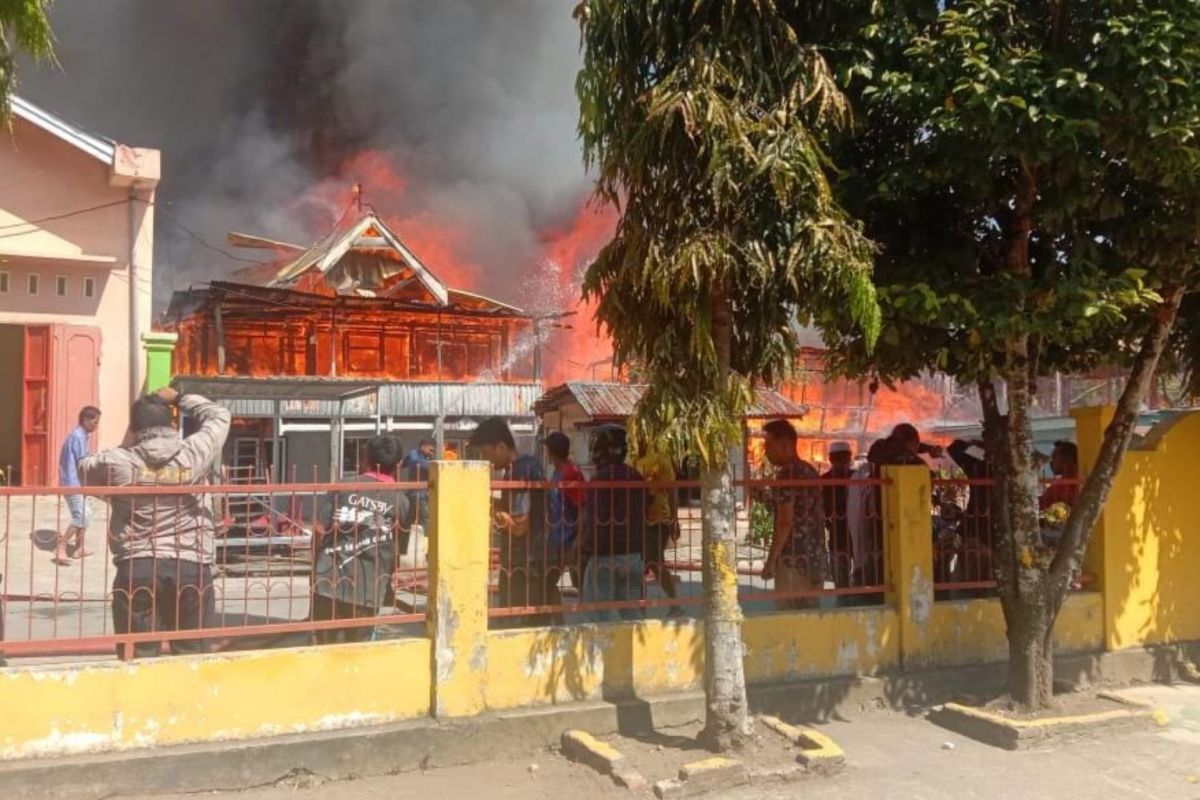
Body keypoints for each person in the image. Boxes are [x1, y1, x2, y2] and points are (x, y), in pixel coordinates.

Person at [80, 388, 230, 659]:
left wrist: (127, 442)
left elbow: (83, 470)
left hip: (138, 564)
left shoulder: (119, 462)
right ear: (172, 424)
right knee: (192, 655)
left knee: (138, 655)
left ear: (135, 428)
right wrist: (181, 397)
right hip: (191, 564)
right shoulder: (194, 453)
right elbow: (219, 415)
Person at [311, 435, 410, 644]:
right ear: (399, 464)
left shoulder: (344, 486)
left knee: (321, 649)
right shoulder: (401, 500)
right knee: (357, 652)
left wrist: (315, 567)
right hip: (368, 586)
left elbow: (320, 530)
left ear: (366, 458)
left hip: (329, 578)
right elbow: (397, 549)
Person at [469, 417, 556, 627]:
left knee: (517, 625)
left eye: (484, 452)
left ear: (500, 446)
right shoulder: (524, 466)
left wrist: (490, 508)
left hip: (524, 563)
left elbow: (518, 526)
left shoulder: (520, 471)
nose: (484, 459)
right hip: (530, 559)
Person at [581, 425, 647, 622]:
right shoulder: (635, 476)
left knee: (599, 614)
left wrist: (583, 548)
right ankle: (635, 649)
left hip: (604, 555)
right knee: (632, 612)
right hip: (633, 554)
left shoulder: (598, 479)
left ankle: (602, 652)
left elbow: (593, 519)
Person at [761, 420, 828, 610]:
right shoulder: (810, 471)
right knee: (810, 622)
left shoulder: (787, 474)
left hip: (793, 562)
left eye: (769, 445)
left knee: (787, 622)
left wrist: (771, 561)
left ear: (785, 444)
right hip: (815, 559)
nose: (766, 451)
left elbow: (784, 521)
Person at [632, 435, 683, 617]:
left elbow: (671, 489)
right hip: (640, 518)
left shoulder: (660, 457)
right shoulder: (634, 457)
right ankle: (642, 607)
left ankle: (671, 603)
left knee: (654, 563)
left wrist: (674, 520)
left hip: (658, 518)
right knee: (644, 564)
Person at [55, 406, 101, 565]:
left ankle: (79, 547)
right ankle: (61, 546)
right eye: (95, 422)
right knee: (82, 515)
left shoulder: (81, 436)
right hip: (72, 482)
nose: (96, 426)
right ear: (85, 420)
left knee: (84, 514)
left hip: (78, 482)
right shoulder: (77, 437)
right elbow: (83, 462)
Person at [544, 432, 585, 594]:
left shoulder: (570, 473)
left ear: (551, 453)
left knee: (580, 583)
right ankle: (558, 619)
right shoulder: (557, 473)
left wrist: (578, 540)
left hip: (569, 539)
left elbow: (582, 507)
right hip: (558, 537)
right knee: (548, 583)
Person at [822, 441, 854, 588]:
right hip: (858, 530)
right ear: (849, 458)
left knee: (840, 577)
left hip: (836, 531)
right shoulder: (858, 478)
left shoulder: (822, 481)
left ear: (830, 459)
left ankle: (843, 596)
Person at [401, 438, 436, 531]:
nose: (432, 453)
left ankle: (407, 542)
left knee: (411, 521)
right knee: (425, 520)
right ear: (423, 446)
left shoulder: (425, 458)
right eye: (431, 450)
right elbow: (416, 462)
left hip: (421, 495)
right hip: (417, 495)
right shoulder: (414, 454)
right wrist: (432, 466)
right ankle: (424, 543)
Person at [1040, 440, 1079, 511]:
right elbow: (1040, 503)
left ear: (1069, 458)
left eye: (1055, 457)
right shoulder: (1058, 485)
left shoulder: (1083, 479)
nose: (1051, 462)